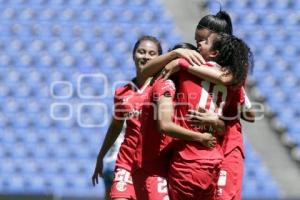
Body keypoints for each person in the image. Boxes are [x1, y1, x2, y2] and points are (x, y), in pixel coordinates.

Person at [141, 10, 255, 200]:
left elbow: (248, 113)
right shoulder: (198, 67)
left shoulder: (233, 72)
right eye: (196, 41)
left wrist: (181, 64)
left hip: (225, 146)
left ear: (218, 45)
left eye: (202, 41)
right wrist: (176, 54)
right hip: (202, 150)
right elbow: (145, 73)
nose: (197, 46)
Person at [132, 43, 218, 200]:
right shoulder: (166, 84)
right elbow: (165, 125)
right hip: (152, 166)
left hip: (167, 164)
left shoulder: (185, 91)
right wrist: (201, 137)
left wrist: (217, 122)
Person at [92, 35, 162, 200]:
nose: (146, 56)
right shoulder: (123, 93)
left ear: (160, 58)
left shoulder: (163, 88)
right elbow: (116, 126)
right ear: (133, 55)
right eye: (141, 52)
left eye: (152, 53)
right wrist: (101, 156)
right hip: (126, 163)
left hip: (153, 166)